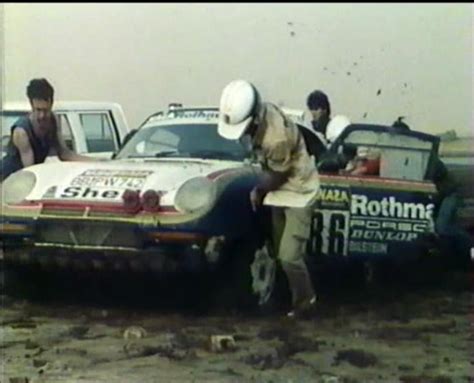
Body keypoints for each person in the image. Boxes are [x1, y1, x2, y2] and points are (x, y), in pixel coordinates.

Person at [218, 79, 319, 318]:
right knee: (276, 249)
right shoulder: (262, 113)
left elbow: (279, 174)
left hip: (298, 192)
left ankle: (307, 302)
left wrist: (258, 191)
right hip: (278, 192)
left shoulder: (276, 139)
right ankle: (283, 296)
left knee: (289, 256)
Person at [1, 78, 95, 181]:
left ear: (51, 104)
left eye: (45, 110)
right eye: (38, 110)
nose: (42, 116)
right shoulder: (21, 132)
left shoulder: (53, 121)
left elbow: (64, 153)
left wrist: (96, 162)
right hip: (7, 179)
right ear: (31, 105)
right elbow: (30, 171)